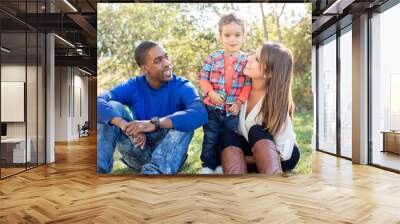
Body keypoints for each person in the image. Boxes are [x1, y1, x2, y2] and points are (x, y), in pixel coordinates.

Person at [97, 41, 208, 174]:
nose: (167, 63)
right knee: (112, 106)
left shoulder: (183, 86)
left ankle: (155, 173)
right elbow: (98, 101)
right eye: (158, 61)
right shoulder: (134, 86)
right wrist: (126, 126)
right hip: (138, 150)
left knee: (184, 119)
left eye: (166, 57)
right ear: (145, 69)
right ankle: (99, 171)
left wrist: (155, 123)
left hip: (169, 155)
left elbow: (200, 113)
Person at [219, 42, 300, 174]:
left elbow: (284, 152)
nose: (248, 58)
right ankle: (235, 184)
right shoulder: (239, 91)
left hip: (283, 155)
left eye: (256, 59)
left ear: (268, 73)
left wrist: (251, 159)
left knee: (256, 130)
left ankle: (272, 180)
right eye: (253, 54)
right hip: (252, 149)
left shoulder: (276, 101)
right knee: (227, 135)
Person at [198, 13, 251, 174]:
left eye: (237, 35)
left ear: (243, 37)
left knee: (227, 138)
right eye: (227, 35)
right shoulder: (213, 57)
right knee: (210, 138)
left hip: (232, 111)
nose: (232, 39)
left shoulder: (246, 60)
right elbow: (203, 78)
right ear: (220, 36)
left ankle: (222, 165)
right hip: (212, 108)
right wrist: (210, 92)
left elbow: (247, 84)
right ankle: (207, 166)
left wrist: (239, 102)